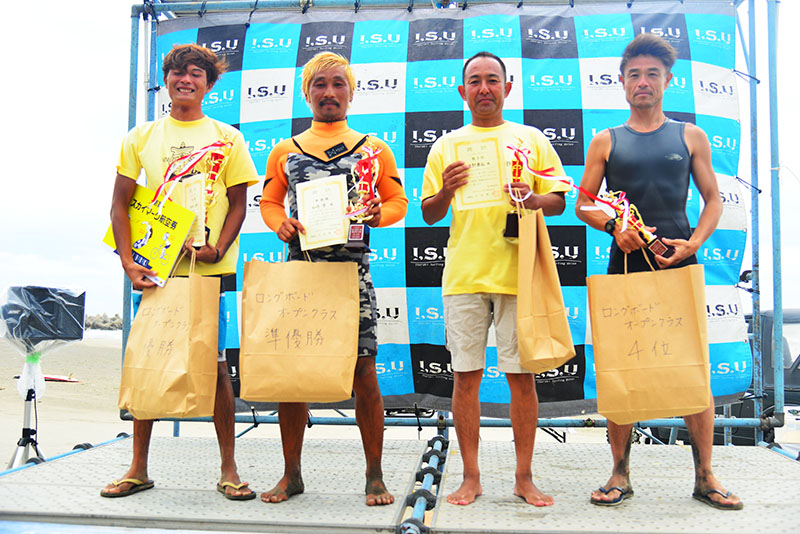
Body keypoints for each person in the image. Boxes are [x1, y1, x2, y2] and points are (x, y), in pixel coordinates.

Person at [575, 33, 742, 510]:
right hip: (625, 264)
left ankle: (706, 476)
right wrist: (614, 227)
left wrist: (694, 242)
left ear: (668, 80)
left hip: (678, 262)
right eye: (634, 75)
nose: (643, 82)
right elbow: (583, 203)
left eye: (652, 74)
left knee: (693, 368)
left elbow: (713, 200)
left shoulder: (690, 136)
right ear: (622, 82)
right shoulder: (606, 140)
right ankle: (619, 473)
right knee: (621, 369)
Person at [104, 44, 258, 500]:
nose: (185, 80)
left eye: (196, 74)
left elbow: (238, 204)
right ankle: (138, 468)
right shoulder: (141, 137)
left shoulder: (227, 137)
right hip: (158, 269)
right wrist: (129, 262)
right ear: (166, 80)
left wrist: (218, 248)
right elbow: (120, 204)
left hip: (209, 270)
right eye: (177, 72)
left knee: (217, 366)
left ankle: (229, 469)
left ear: (209, 85)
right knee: (149, 361)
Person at [259, 52, 408, 506]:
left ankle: (375, 475)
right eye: (319, 84)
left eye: (338, 84)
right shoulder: (286, 150)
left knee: (364, 372)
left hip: (351, 275)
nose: (329, 92)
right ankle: (291, 475)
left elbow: (397, 201)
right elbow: (269, 203)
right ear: (307, 93)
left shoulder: (373, 148)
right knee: (292, 376)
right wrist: (279, 224)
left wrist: (379, 215)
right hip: (301, 275)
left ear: (351, 92)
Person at [421, 51, 569, 506]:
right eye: (475, 81)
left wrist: (534, 198)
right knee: (465, 378)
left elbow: (559, 201)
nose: (483, 88)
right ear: (462, 91)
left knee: (521, 378)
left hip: (519, 273)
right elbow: (429, 214)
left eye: (492, 80)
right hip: (465, 275)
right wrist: (446, 189)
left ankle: (524, 477)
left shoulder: (531, 139)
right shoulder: (446, 146)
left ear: (508, 87)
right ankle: (471, 477)